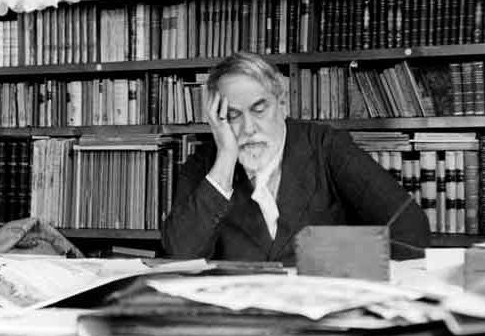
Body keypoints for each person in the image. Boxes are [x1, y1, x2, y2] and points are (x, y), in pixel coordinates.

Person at [162, 52, 429, 264]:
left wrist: (327, 270)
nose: (249, 128)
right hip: (240, 323)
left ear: (282, 103)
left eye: (259, 109)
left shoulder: (326, 146)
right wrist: (226, 158)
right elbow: (179, 257)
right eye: (233, 115)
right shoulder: (205, 164)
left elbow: (409, 228)